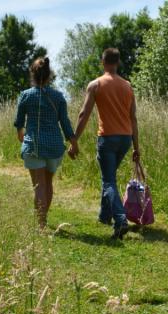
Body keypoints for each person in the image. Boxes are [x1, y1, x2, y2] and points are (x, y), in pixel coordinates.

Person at [69, 48, 139, 239]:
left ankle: (120, 219)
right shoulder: (127, 86)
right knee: (109, 177)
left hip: (107, 138)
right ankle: (104, 216)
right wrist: (136, 147)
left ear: (103, 62)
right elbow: (133, 118)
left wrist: (74, 139)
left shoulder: (96, 85)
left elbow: (84, 114)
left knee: (108, 180)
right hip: (125, 138)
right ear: (117, 63)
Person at [14, 57, 78, 229]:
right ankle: (43, 219)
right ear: (49, 75)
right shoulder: (58, 97)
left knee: (39, 185)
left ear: (32, 75)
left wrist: (20, 134)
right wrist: (74, 142)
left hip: (34, 145)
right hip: (54, 146)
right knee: (48, 183)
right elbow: (65, 122)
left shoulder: (26, 96)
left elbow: (19, 122)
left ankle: (41, 224)